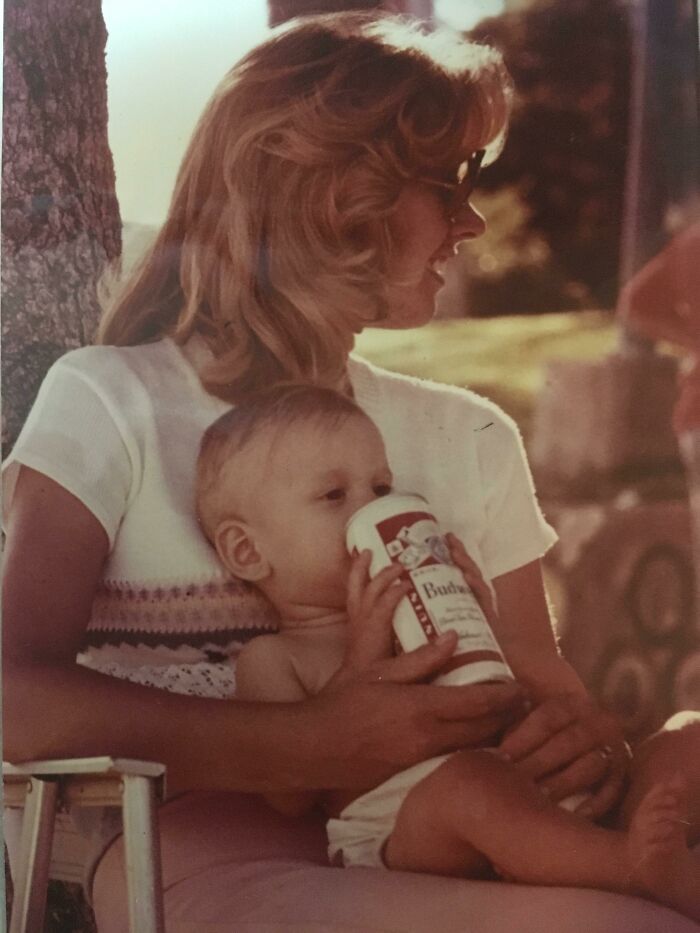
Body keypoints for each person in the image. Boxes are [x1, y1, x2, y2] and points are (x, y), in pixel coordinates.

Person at [3, 11, 699, 932]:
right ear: (332, 196)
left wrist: (583, 743)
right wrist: (312, 741)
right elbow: (12, 695)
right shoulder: (113, 402)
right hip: (209, 847)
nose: (473, 220)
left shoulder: (469, 434)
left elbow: (548, 686)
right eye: (447, 184)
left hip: (479, 831)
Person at [194, 381, 699, 920]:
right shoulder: (276, 657)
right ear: (248, 551)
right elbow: (289, 793)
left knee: (685, 737)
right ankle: (635, 867)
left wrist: (490, 630)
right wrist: (365, 657)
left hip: (539, 795)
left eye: (382, 488)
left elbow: (535, 691)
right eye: (333, 496)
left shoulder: (431, 613)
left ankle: (653, 846)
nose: (372, 509)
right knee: (471, 784)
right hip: (413, 825)